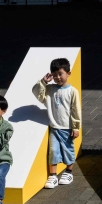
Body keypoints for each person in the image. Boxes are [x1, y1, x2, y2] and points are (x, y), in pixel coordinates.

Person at [33, 58, 82, 190]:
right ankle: (53, 175)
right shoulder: (49, 89)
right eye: (54, 75)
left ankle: (69, 172)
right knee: (53, 151)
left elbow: (76, 110)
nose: (57, 77)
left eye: (60, 74)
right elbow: (37, 93)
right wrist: (43, 82)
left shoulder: (73, 91)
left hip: (67, 127)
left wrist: (76, 127)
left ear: (68, 73)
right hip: (54, 127)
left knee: (68, 149)